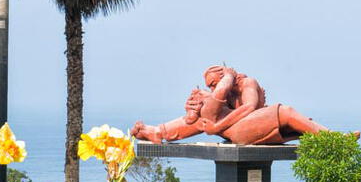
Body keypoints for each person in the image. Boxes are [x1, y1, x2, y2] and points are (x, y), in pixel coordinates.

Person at [131, 65, 343, 145]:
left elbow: (249, 108)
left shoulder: (246, 83)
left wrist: (216, 127)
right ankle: (157, 132)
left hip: (243, 129)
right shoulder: (222, 95)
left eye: (214, 83)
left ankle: (332, 138)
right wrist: (196, 105)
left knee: (285, 111)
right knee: (202, 108)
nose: (214, 89)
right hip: (238, 131)